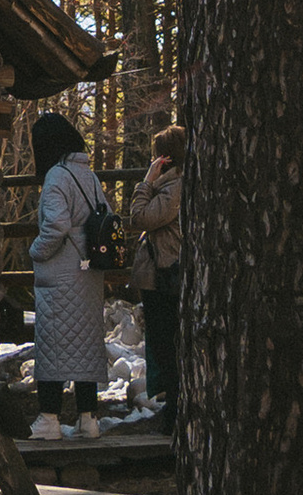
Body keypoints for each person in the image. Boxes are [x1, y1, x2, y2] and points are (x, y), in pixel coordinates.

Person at [28, 112, 109, 439]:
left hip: (60, 276)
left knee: (52, 345)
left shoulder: (56, 178)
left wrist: (36, 251)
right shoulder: (88, 175)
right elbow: (107, 215)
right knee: (85, 345)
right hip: (88, 273)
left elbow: (57, 226)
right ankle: (88, 418)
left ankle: (49, 418)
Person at [128, 125, 185, 427]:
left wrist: (147, 181)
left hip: (165, 276)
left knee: (167, 346)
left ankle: (174, 410)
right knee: (165, 345)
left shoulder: (172, 188)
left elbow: (140, 217)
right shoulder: (173, 187)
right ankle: (172, 405)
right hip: (162, 275)